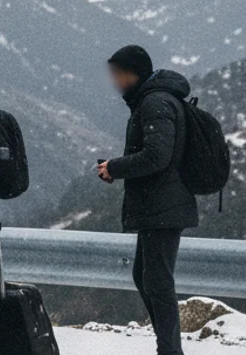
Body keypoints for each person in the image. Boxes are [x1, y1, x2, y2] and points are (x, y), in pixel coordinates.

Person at [97, 45, 198, 355]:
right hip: (160, 205)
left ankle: (170, 351)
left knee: (157, 282)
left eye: (119, 75)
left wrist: (115, 166)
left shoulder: (155, 102)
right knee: (147, 278)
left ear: (135, 73)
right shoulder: (152, 99)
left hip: (163, 206)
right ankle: (167, 347)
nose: (115, 82)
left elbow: (157, 156)